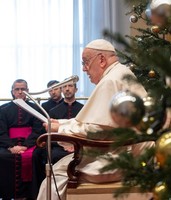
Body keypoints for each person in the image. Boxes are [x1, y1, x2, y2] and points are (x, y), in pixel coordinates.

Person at [37, 39, 153, 200]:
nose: (84, 69)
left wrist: (60, 129)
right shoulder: (120, 73)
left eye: (85, 62)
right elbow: (100, 122)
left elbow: (99, 130)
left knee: (55, 177)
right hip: (127, 148)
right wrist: (62, 123)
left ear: (102, 60)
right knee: (60, 164)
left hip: (121, 156)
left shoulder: (111, 81)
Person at [31, 82, 84, 198]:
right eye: (65, 87)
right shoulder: (54, 111)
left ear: (76, 89)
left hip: (79, 146)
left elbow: (84, 130)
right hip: (59, 147)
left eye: (70, 86)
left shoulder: (83, 109)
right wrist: (63, 145)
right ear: (62, 90)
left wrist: (74, 145)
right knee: (52, 156)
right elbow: (50, 135)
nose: (67, 89)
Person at [0, 79, 44, 199]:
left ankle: (32, 195)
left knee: (35, 156)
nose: (20, 92)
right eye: (17, 89)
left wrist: (26, 145)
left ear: (28, 91)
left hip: (31, 143)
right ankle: (7, 195)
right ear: (12, 91)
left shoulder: (35, 108)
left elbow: (38, 129)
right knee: (3, 156)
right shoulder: (3, 109)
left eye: (23, 89)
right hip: (9, 144)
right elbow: (1, 131)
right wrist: (11, 146)